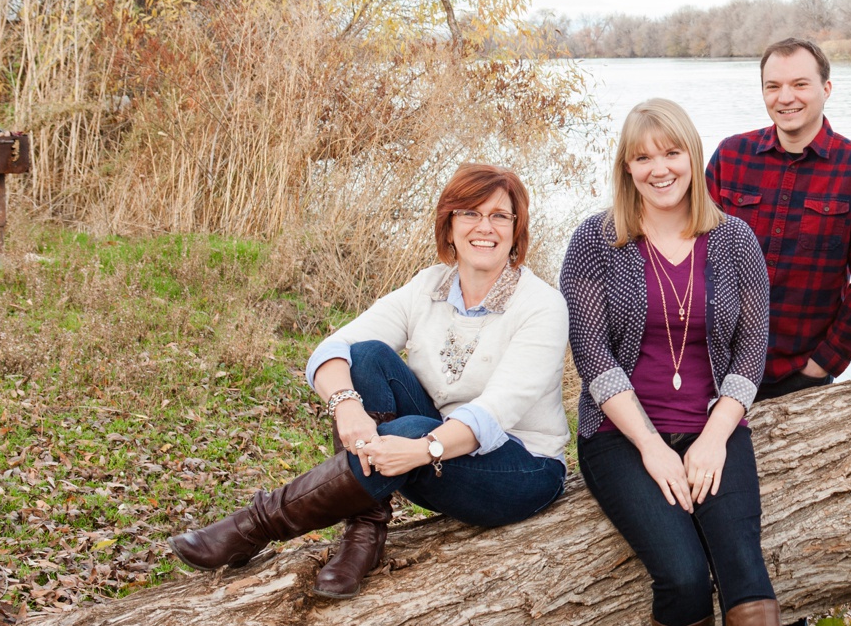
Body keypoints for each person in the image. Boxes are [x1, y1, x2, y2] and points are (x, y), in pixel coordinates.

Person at [560, 98, 816, 626]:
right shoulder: (595, 242)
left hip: (715, 428)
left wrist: (711, 437)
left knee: (744, 568)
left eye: (671, 153)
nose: (659, 168)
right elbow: (594, 356)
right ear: (627, 166)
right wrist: (649, 446)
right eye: (643, 156)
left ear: (693, 158)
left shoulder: (734, 240)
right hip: (620, 435)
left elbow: (750, 351)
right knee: (680, 573)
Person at [169, 163, 570, 598]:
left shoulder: (542, 306)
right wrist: (346, 405)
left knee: (412, 428)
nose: (484, 227)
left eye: (499, 215)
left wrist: (421, 448)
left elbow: (495, 413)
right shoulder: (428, 286)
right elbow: (332, 349)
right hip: (435, 455)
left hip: (520, 468)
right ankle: (365, 534)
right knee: (365, 356)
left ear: (517, 228)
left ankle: (255, 525)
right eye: (469, 213)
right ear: (449, 226)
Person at [706, 37, 851, 404]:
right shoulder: (731, 156)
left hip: (799, 377)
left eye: (800, 84)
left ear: (826, 88)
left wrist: (823, 363)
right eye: (773, 86)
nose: (785, 97)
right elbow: (686, 252)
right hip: (714, 368)